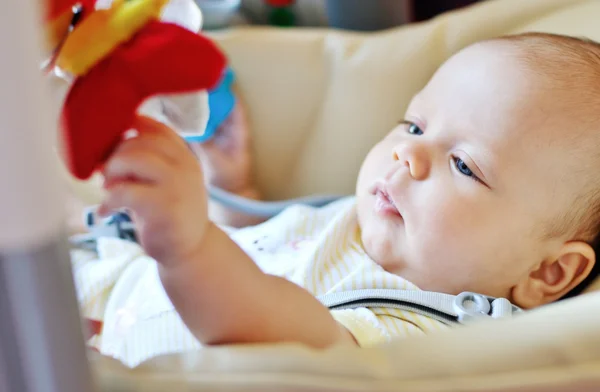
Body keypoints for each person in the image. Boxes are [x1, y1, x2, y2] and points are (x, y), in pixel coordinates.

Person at [91, 32, 600, 355]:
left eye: (464, 165)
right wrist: (232, 190)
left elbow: (281, 339)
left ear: (547, 273)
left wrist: (188, 248)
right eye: (415, 126)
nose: (407, 155)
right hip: (102, 280)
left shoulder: (425, 335)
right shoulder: (368, 219)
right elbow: (272, 252)